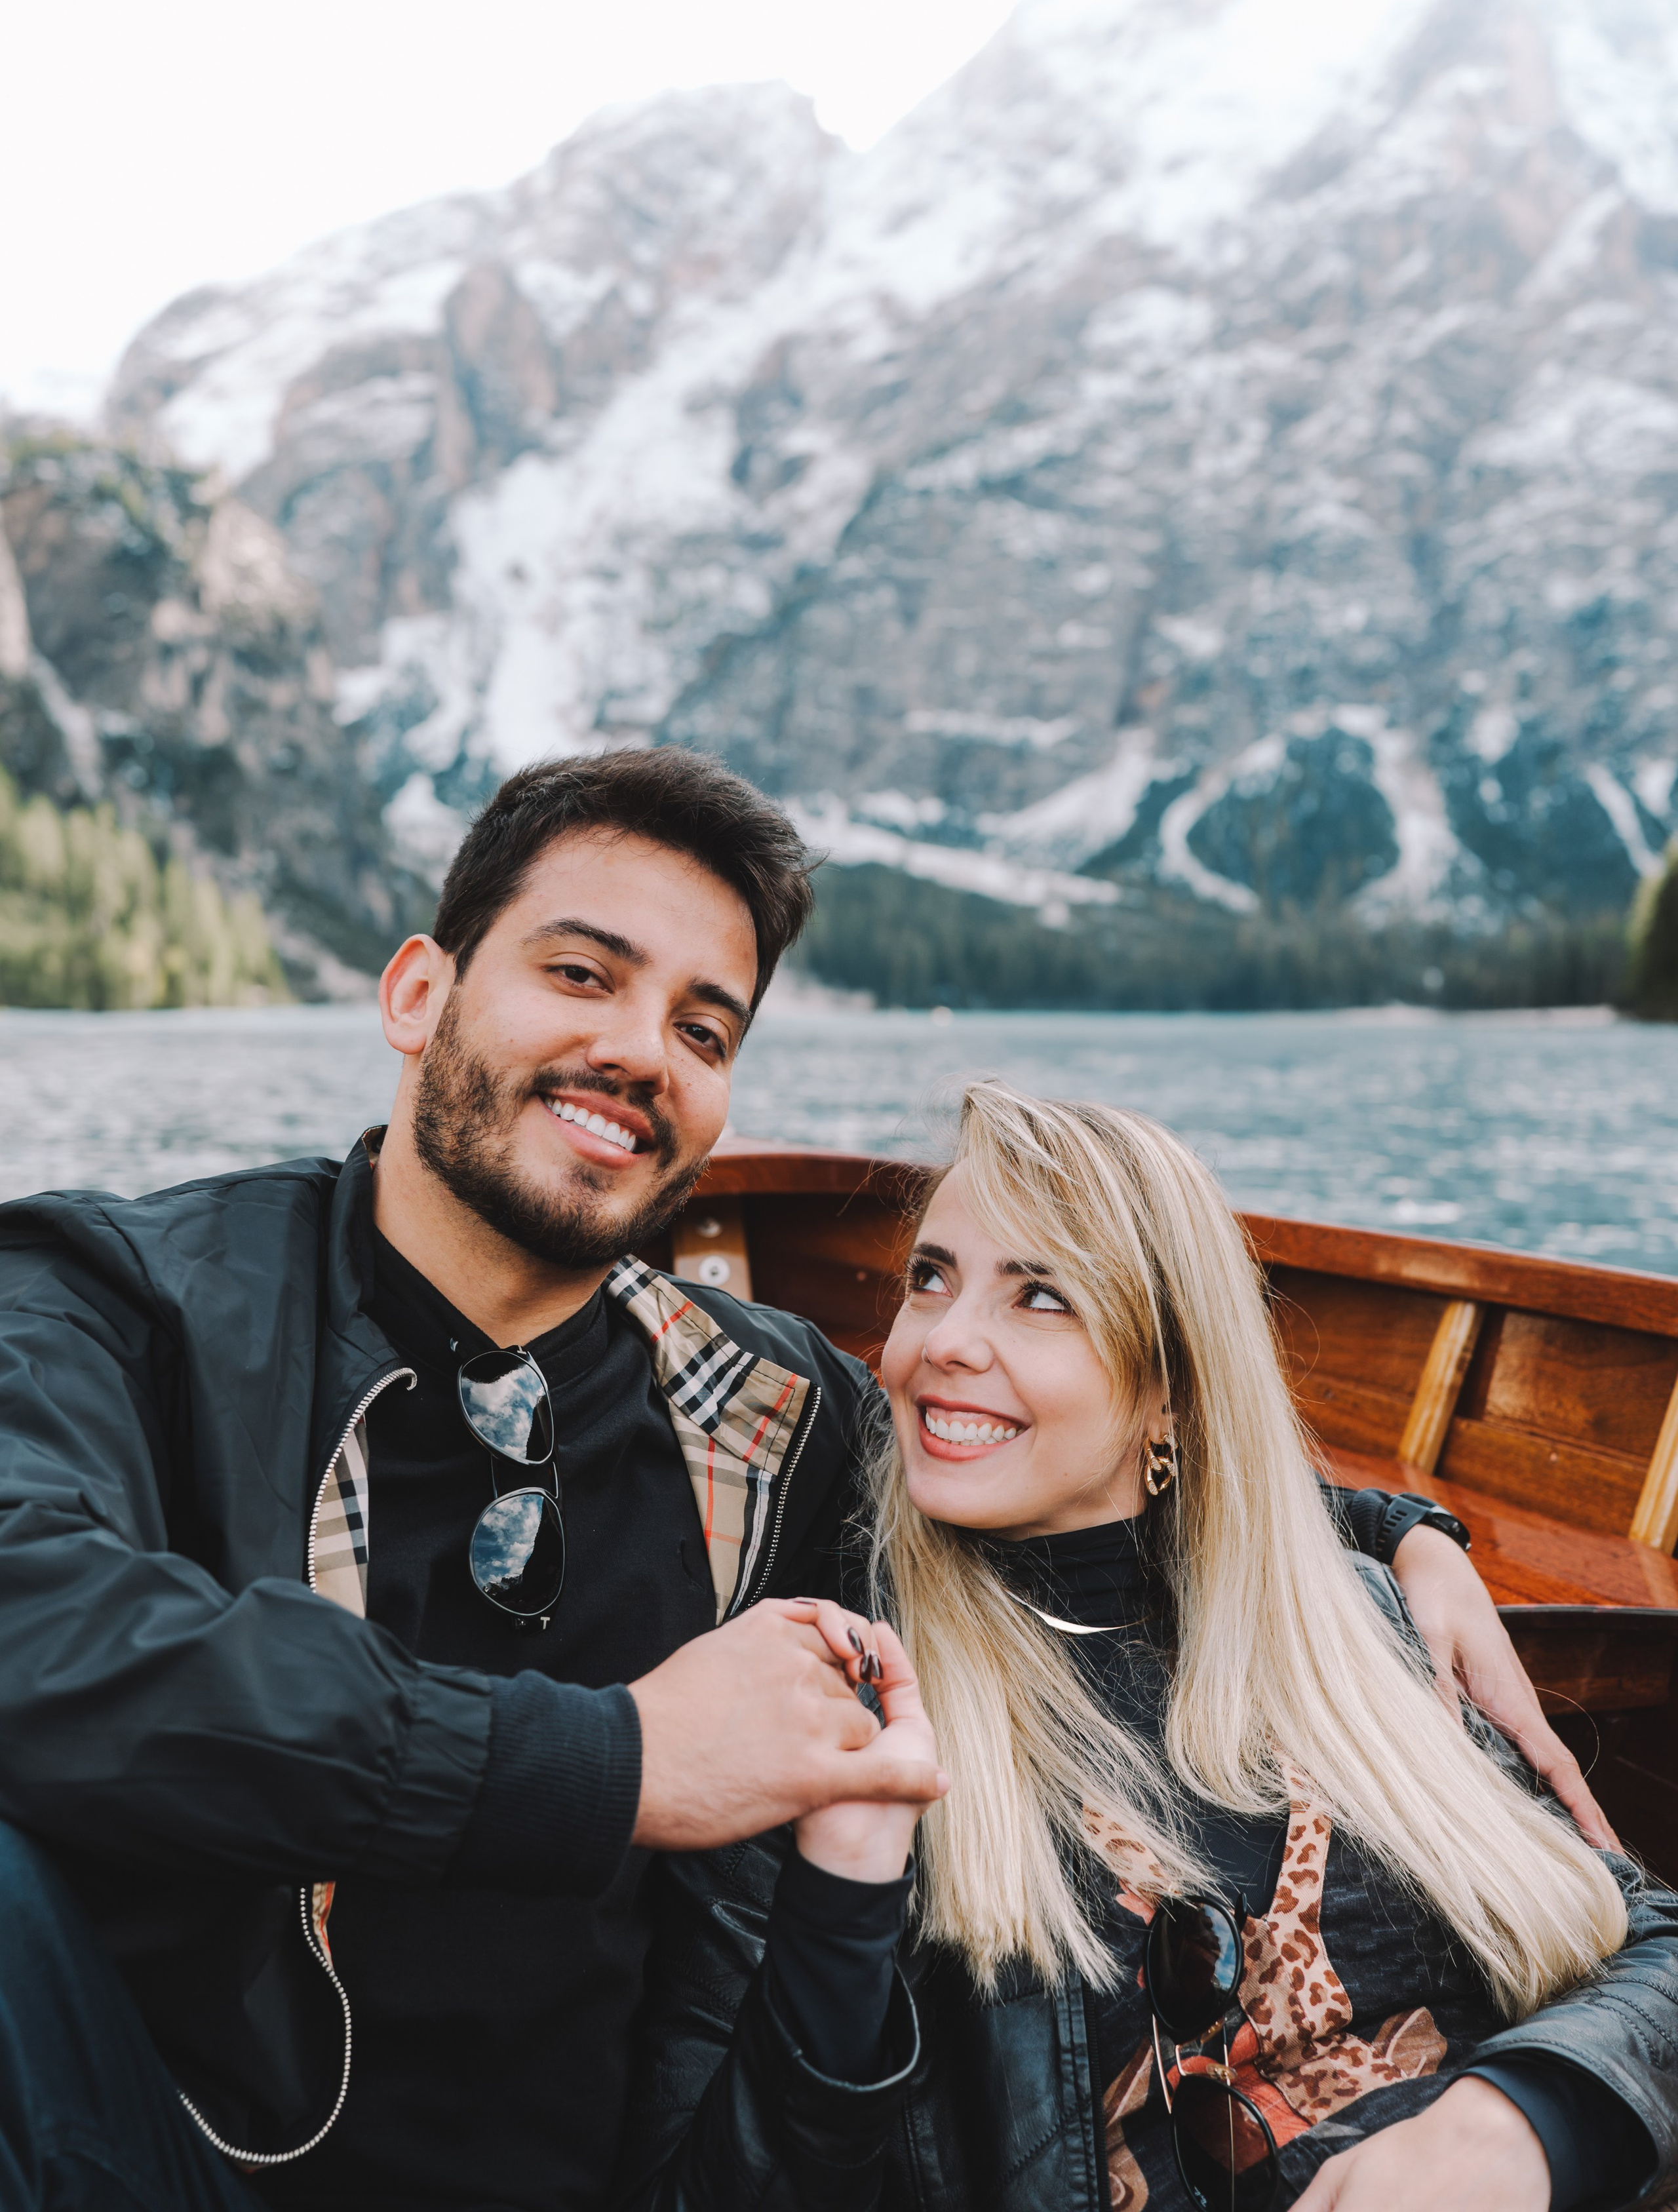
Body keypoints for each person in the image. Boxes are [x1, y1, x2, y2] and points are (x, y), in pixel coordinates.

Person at [0, 750, 1603, 2212]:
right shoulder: (125, 1303)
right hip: (176, 2155)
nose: (637, 1051)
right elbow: (36, 1621)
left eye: (703, 1028)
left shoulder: (765, 1410)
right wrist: (616, 1762)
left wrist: (1393, 1533)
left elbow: (1055, 1476)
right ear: (420, 992)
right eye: (579, 973)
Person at [618, 1085, 1678, 2212]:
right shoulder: (833, 1714)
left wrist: (1522, 2123)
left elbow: (1642, 1939)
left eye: (1041, 1295)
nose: (941, 1342)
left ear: (1169, 1390)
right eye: (930, 1278)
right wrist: (841, 1901)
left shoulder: (1355, 1622)